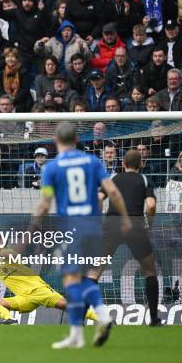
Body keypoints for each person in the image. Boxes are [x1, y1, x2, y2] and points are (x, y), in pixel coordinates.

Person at [33, 122, 131, 349]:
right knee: (85, 277)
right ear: (77, 140)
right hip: (94, 227)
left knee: (70, 279)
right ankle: (77, 336)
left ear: (56, 141)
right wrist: (125, 218)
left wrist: (34, 224)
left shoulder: (52, 168)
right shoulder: (93, 162)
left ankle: (97, 319)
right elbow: (113, 191)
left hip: (71, 228)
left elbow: (46, 202)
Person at [88, 150, 161, 326]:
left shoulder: (113, 179)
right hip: (134, 225)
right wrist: (148, 225)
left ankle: (80, 319)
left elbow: (98, 197)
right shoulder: (144, 180)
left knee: (94, 272)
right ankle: (154, 319)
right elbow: (150, 206)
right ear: (141, 164)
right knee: (150, 271)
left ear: (123, 163)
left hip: (112, 224)